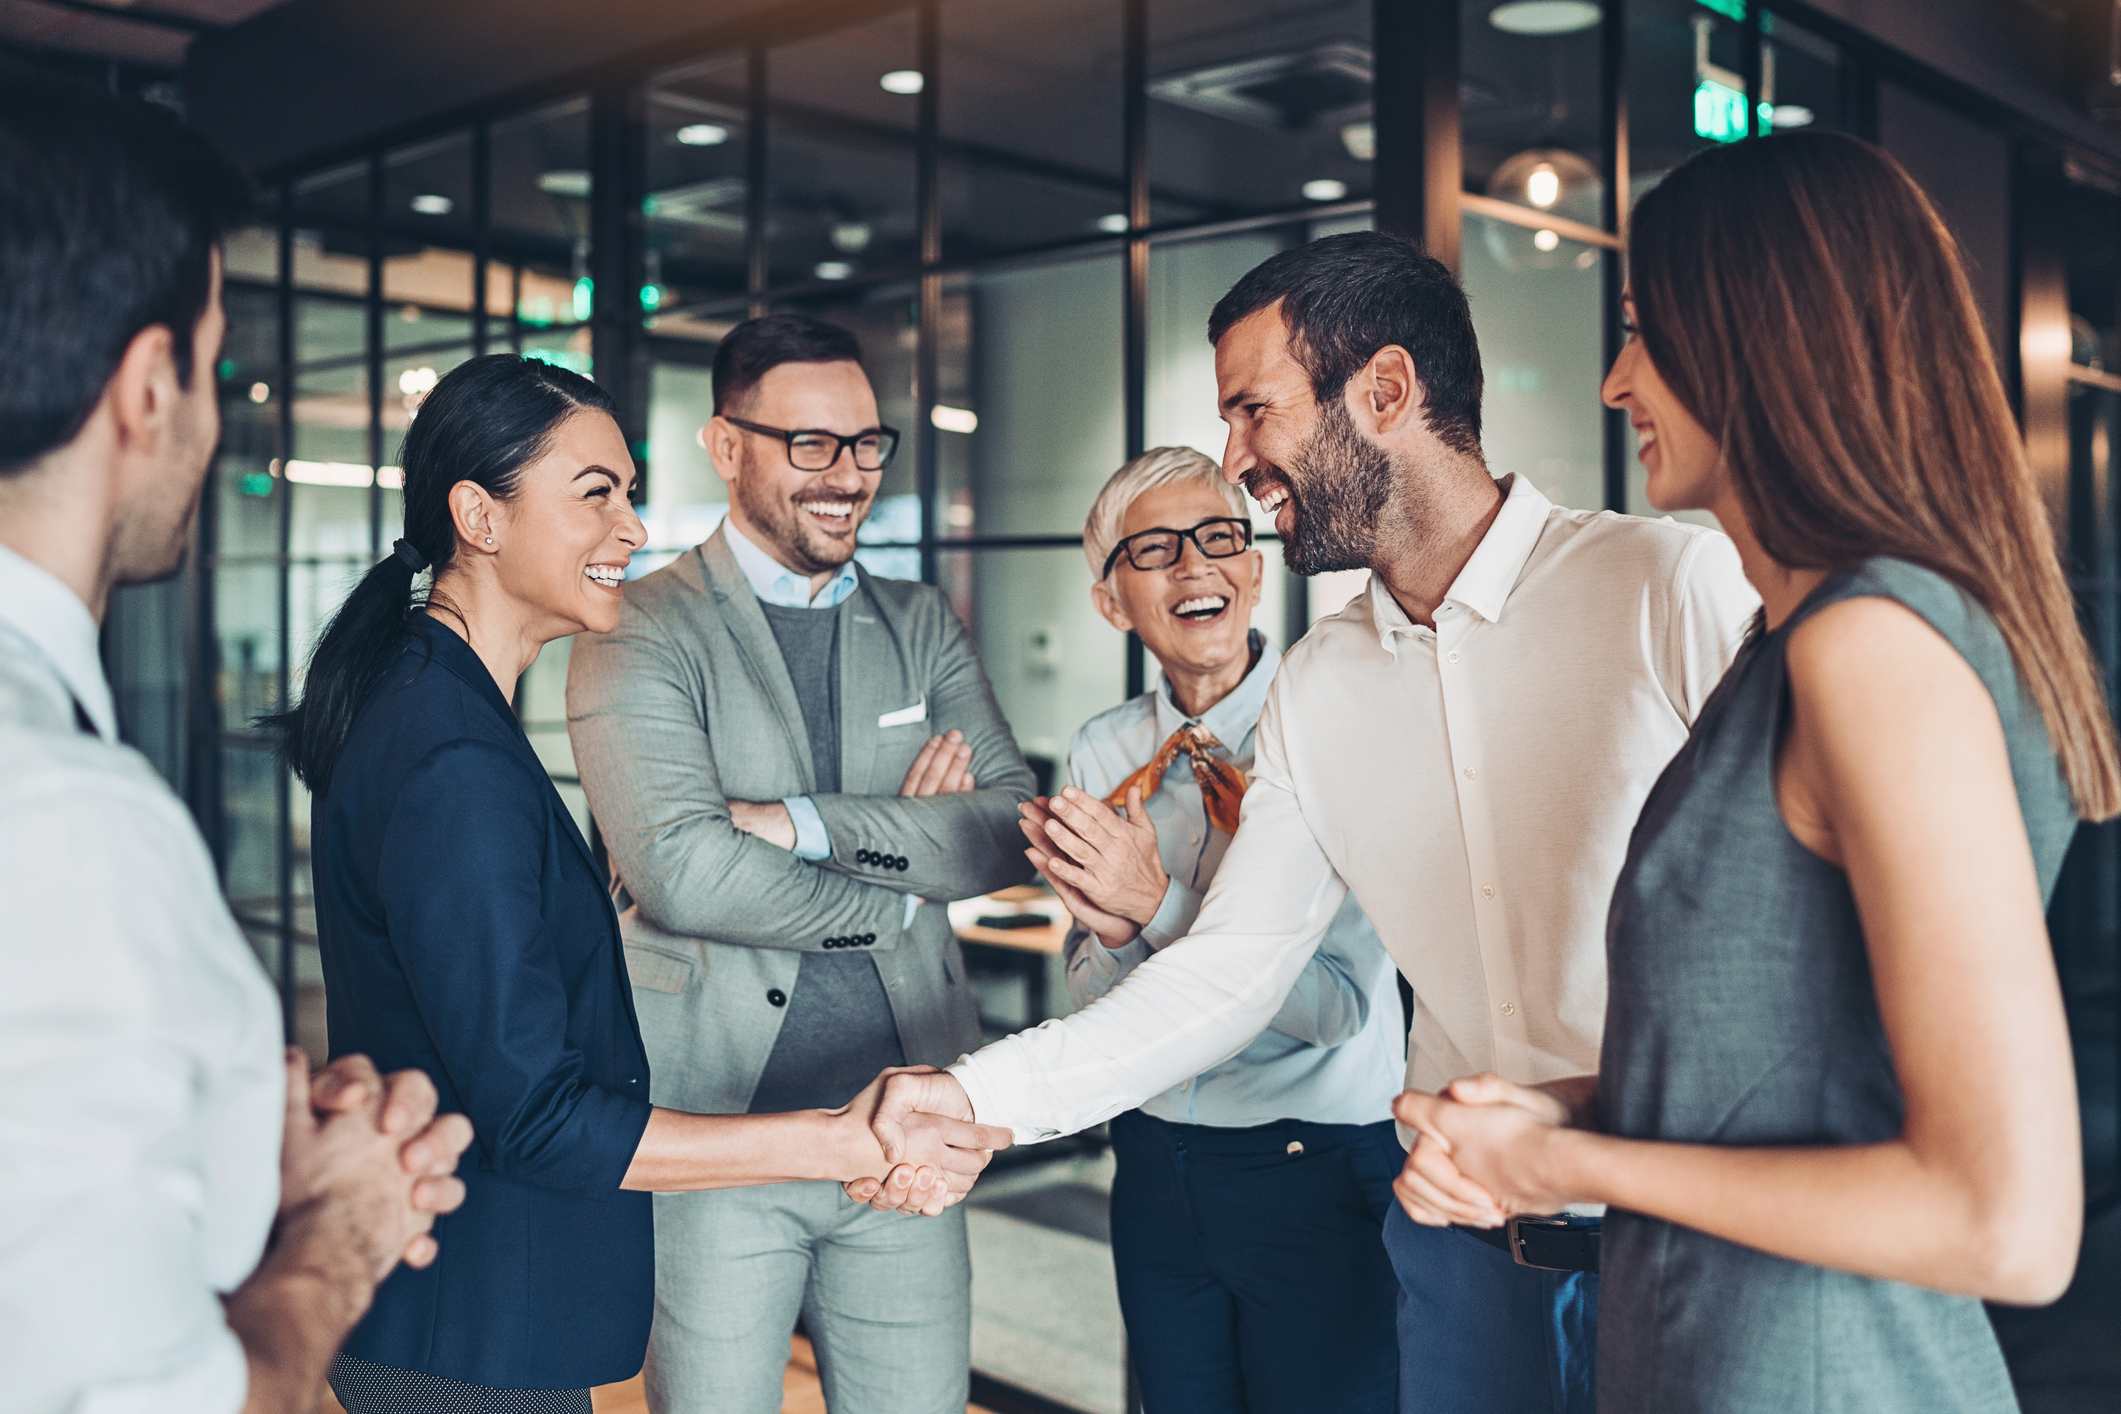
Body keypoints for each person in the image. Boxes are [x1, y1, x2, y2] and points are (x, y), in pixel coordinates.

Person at [854, 231, 1761, 1414]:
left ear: (1384, 392)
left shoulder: (1669, 588)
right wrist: (977, 1096)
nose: (1235, 461)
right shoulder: (1322, 684)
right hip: (1460, 1258)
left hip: (1692, 1247)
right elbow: (1228, 971)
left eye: (1252, 411)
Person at [1389, 132, 2117, 1414]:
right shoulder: (1790, 639)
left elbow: (2009, 1218)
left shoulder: (1872, 646)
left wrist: (1578, 1165)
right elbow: (1796, 1057)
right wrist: (1551, 1116)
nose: (1617, 381)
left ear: (1763, 340)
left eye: (1643, 331)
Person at [277, 353, 1011, 1413]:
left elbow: (1001, 823)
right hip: (468, 1326)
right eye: (596, 495)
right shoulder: (452, 758)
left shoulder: (433, 709)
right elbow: (536, 1113)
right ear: (480, 516)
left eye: (628, 493)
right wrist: (839, 1132)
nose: (630, 528)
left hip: (468, 1307)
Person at [0, 77, 476, 1413]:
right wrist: (344, 1225)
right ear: (151, 385)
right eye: (215, 362)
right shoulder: (64, 823)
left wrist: (212, 1145)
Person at [565, 313, 1038, 1414]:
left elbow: (1007, 826)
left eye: (867, 445)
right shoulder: (637, 625)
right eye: (810, 445)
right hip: (718, 1135)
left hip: (908, 1137)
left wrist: (795, 821)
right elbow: (683, 871)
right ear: (727, 445)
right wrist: (905, 885)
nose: (847, 477)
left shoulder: (921, 621)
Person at [1022, 445, 1406, 1411]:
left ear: (1253, 565)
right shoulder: (1105, 749)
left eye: (1218, 537)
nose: (1195, 566)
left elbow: (1335, 1010)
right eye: (1154, 549)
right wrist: (1112, 936)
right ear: (1112, 601)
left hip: (1312, 1161)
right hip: (1154, 1155)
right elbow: (1088, 985)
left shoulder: (1337, 727)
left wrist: (1151, 911)